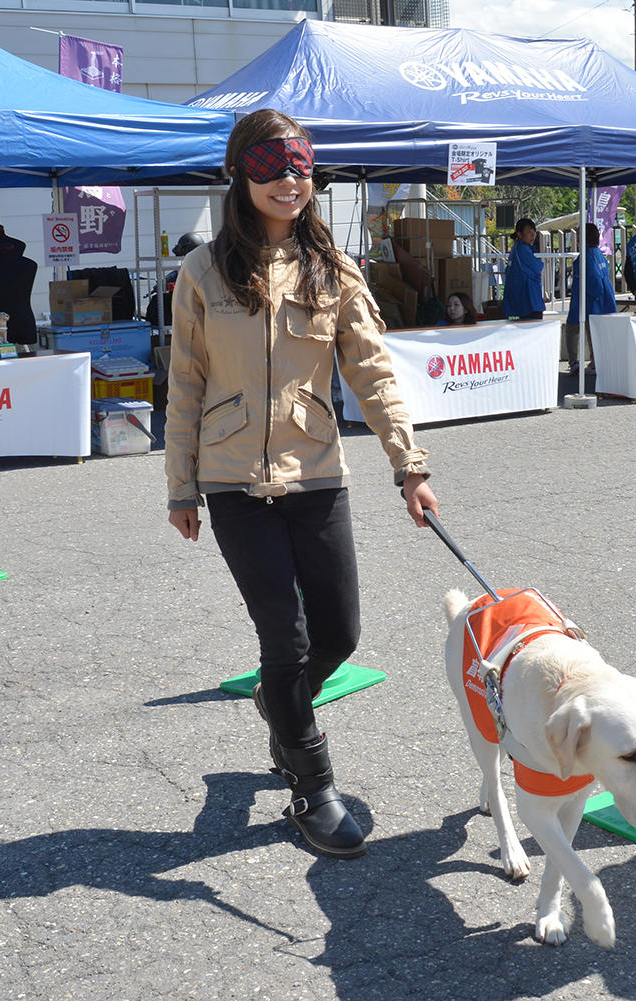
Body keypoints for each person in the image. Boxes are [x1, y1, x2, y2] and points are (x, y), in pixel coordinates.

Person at [164, 108, 439, 860]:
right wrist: (180, 486)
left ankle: (279, 709)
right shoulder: (202, 272)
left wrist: (409, 465)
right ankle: (312, 784)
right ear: (240, 174)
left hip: (316, 473)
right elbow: (184, 382)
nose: (289, 179)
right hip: (230, 482)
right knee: (283, 641)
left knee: (340, 631)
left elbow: (375, 373)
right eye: (270, 166)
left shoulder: (336, 269)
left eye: (300, 165)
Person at [563, 222, 617, 374]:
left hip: (587, 300)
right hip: (601, 299)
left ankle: (576, 362)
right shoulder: (598, 254)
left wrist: (594, 294)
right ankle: (595, 361)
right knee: (593, 331)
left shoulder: (585, 256)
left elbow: (592, 279)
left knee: (574, 328)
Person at [501, 218, 544, 320]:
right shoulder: (522, 249)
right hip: (529, 299)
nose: (533, 235)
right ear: (520, 234)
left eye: (534, 232)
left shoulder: (517, 248)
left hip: (522, 299)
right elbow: (537, 267)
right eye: (529, 232)